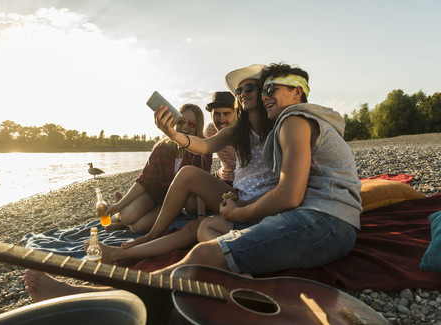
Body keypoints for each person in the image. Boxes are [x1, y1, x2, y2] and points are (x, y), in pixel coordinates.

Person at [24, 64, 278, 300]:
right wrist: (172, 133)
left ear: (265, 92)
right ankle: (147, 237)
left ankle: (108, 281)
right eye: (240, 89)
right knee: (185, 194)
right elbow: (198, 148)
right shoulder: (231, 131)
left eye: (249, 87)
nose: (243, 93)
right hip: (229, 193)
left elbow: (288, 186)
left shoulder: (280, 124)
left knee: (195, 228)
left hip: (255, 203)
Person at [154, 62, 363, 276]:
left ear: (297, 92)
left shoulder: (294, 121)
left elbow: (289, 196)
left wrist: (241, 212)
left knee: (203, 255)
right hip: (329, 221)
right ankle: (237, 272)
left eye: (271, 90)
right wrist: (174, 134)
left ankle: (138, 286)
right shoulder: (297, 120)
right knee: (208, 234)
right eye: (263, 91)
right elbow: (205, 145)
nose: (264, 97)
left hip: (326, 222)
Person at [104, 103, 212, 234]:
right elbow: (144, 181)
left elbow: (202, 185)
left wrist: (201, 217)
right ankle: (120, 213)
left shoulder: (203, 151)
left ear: (198, 126)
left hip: (173, 202)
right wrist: (118, 206)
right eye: (182, 121)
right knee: (128, 216)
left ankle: (122, 220)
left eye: (191, 124)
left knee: (138, 228)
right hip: (152, 194)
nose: (185, 126)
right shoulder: (162, 147)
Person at [204, 91, 237, 186]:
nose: (221, 120)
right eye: (217, 114)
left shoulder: (246, 132)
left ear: (236, 114)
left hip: (243, 181)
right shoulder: (211, 130)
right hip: (221, 177)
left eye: (227, 114)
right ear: (211, 115)